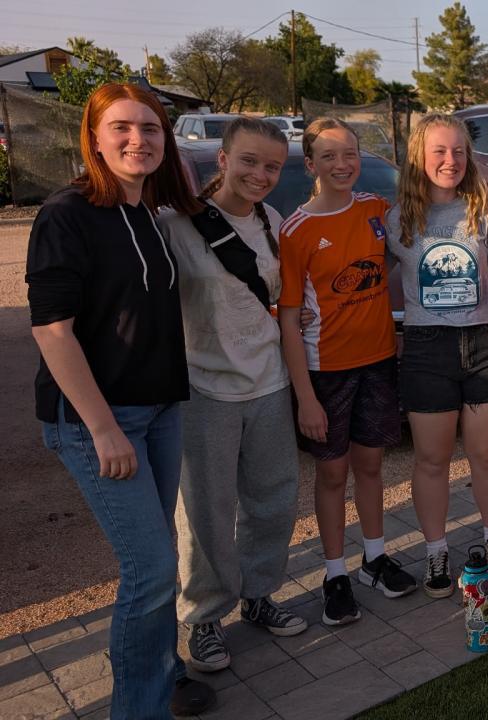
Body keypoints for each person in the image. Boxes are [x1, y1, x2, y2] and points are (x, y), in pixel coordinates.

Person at [25, 82, 215, 717]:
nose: (139, 139)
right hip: (99, 420)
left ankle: (162, 673)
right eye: (122, 128)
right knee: (151, 570)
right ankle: (139, 708)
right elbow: (52, 332)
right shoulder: (67, 214)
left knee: (157, 560)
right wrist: (103, 429)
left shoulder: (147, 212)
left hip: (159, 409)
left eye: (151, 128)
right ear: (94, 138)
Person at [160, 117, 307, 674]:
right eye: (249, 161)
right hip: (204, 389)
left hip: (269, 381)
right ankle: (204, 616)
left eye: (272, 166)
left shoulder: (272, 221)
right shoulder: (176, 224)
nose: (260, 175)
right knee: (206, 511)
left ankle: (259, 593)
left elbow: (278, 299)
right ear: (222, 160)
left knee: (272, 500)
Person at [278, 117, 416, 625]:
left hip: (378, 362)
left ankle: (374, 558)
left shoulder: (376, 210)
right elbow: (289, 318)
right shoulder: (295, 231)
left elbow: (413, 239)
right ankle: (334, 573)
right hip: (326, 371)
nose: (342, 164)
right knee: (333, 473)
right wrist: (305, 397)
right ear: (310, 164)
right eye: (329, 156)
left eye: (350, 154)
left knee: (372, 466)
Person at [384, 113, 488, 598]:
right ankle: (436, 550)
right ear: (419, 157)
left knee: (486, 453)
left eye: (459, 151)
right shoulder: (397, 219)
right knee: (431, 459)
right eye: (440, 151)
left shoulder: (484, 212)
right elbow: (365, 278)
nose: (451, 160)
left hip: (485, 344)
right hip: (427, 349)